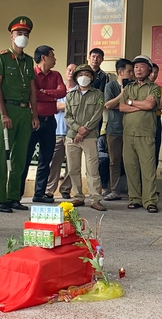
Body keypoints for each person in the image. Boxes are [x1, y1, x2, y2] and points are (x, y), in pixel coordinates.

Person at [0, 16, 38, 213]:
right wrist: (3, 113)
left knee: (20, 155)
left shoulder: (28, 61)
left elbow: (33, 91)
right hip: (7, 109)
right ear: (11, 36)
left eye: (26, 34)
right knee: (2, 154)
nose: (23, 37)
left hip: (24, 111)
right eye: (19, 34)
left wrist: (34, 115)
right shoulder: (1, 57)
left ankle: (13, 196)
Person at [20, 45, 66, 204]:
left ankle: (39, 193)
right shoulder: (31, 73)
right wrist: (49, 94)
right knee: (25, 158)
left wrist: (45, 93)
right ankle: (17, 194)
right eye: (52, 56)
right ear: (44, 57)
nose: (55, 59)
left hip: (50, 121)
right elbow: (33, 93)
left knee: (45, 159)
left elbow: (62, 92)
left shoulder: (56, 74)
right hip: (34, 119)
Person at [120, 55, 162, 213]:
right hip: (128, 133)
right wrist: (141, 105)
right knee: (131, 167)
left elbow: (151, 104)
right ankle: (135, 198)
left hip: (146, 133)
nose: (138, 69)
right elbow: (122, 107)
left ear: (149, 70)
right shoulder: (129, 87)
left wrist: (132, 102)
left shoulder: (154, 88)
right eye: (136, 67)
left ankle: (150, 200)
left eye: (141, 67)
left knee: (148, 168)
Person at [64, 64, 106, 211]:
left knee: (92, 169)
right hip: (72, 137)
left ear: (92, 77)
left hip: (89, 136)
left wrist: (84, 130)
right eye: (81, 74)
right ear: (76, 77)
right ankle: (78, 196)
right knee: (73, 168)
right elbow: (67, 116)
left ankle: (95, 199)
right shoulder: (70, 95)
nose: (84, 77)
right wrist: (77, 129)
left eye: (87, 74)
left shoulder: (98, 94)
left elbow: (97, 115)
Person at [103, 58, 133, 201]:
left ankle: (131, 190)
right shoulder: (111, 86)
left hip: (131, 129)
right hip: (114, 129)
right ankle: (115, 190)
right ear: (120, 72)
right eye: (129, 71)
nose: (132, 74)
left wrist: (121, 104)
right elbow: (108, 105)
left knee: (130, 161)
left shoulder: (134, 86)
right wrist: (122, 95)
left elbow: (134, 106)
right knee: (114, 161)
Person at [46, 63, 76, 199]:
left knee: (71, 165)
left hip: (72, 133)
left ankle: (66, 189)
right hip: (57, 131)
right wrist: (69, 106)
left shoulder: (79, 90)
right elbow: (53, 105)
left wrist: (62, 106)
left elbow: (79, 109)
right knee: (54, 163)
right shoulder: (59, 88)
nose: (71, 72)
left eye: (74, 71)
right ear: (65, 72)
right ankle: (49, 190)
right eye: (69, 70)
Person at [149, 64, 162, 167]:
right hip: (143, 121)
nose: (153, 75)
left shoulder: (159, 89)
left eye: (156, 72)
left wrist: (147, 105)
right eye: (152, 72)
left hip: (156, 120)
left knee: (155, 149)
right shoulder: (137, 87)